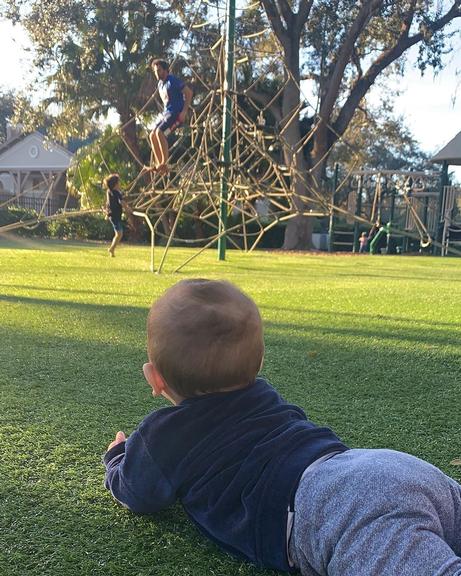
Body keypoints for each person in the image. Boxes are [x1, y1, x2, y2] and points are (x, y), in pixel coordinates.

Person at [103, 279, 461, 576]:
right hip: (383, 467)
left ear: (155, 378)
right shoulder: (263, 396)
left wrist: (117, 457)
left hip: (334, 509)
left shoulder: (166, 434)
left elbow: (137, 492)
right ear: (258, 362)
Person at [146, 59, 193, 176]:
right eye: (155, 71)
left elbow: (188, 93)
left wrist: (184, 112)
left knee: (159, 133)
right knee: (152, 135)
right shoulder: (160, 84)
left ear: (165, 70)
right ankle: (159, 164)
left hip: (176, 113)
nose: (157, 73)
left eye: (159, 70)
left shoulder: (172, 80)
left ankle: (164, 163)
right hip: (166, 113)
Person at [103, 173, 127, 257]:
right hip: (115, 216)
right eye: (119, 183)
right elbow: (122, 202)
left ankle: (112, 249)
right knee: (119, 234)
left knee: (118, 234)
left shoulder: (109, 192)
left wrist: (106, 212)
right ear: (115, 184)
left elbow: (108, 203)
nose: (120, 184)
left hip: (113, 215)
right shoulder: (116, 192)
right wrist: (128, 209)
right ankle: (111, 249)